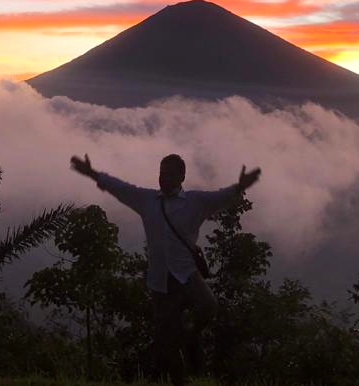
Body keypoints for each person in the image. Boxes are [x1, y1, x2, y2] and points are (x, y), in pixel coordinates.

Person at [70, 151, 261, 386]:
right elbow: (120, 188)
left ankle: (190, 337)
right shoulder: (147, 200)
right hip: (160, 281)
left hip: (187, 274)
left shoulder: (195, 202)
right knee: (167, 342)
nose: (163, 178)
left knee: (209, 305)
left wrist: (240, 186)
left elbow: (221, 197)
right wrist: (92, 173)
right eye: (161, 174)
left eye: (169, 174)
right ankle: (180, 382)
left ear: (182, 177)